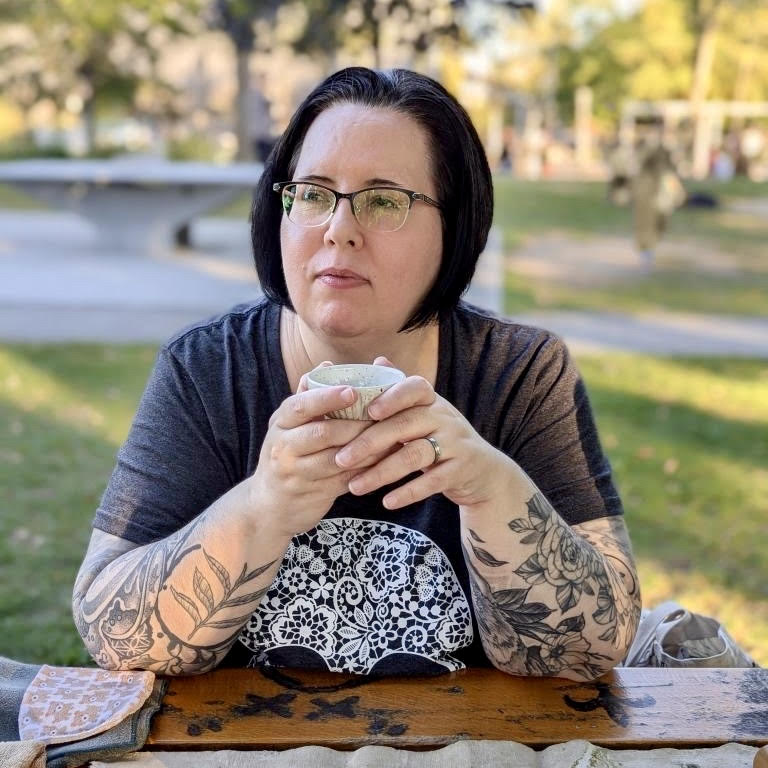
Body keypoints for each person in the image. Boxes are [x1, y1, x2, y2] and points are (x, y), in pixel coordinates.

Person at [72, 67, 641, 681]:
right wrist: (263, 508)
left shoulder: (520, 373)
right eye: (314, 193)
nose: (339, 230)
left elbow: (596, 650)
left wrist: (490, 488)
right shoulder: (207, 370)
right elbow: (112, 634)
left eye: (384, 201)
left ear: (454, 228)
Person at [632, 142, 685, 266]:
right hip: (650, 200)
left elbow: (674, 186)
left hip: (654, 201)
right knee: (649, 228)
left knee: (650, 227)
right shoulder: (648, 172)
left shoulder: (664, 171)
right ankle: (647, 250)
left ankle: (646, 249)